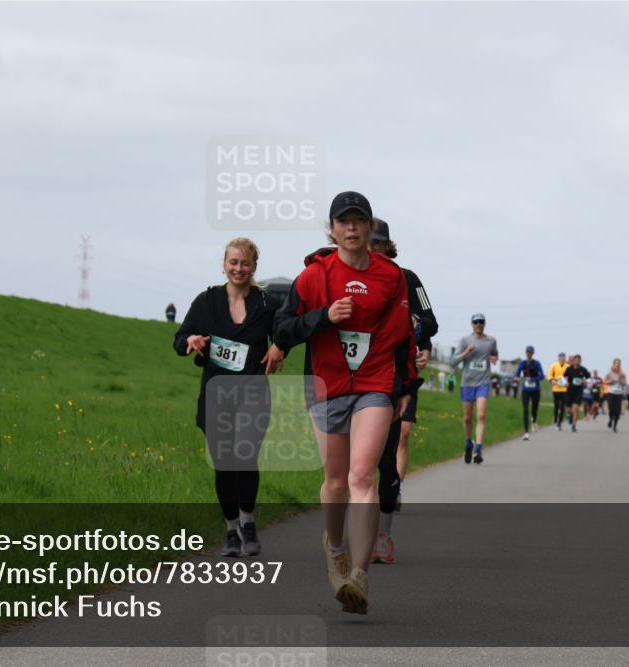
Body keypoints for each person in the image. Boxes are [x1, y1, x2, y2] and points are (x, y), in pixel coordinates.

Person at [274, 192, 419, 614]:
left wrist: (404, 384)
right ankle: (334, 545)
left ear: (370, 228)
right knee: (336, 482)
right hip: (328, 386)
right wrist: (324, 317)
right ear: (332, 229)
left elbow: (402, 337)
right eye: (344, 221)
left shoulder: (392, 277)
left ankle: (359, 574)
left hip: (374, 383)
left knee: (362, 477)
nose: (352, 228)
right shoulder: (314, 277)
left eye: (359, 220)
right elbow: (283, 331)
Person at [174, 238, 285, 558]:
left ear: (254, 267)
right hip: (217, 394)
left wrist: (279, 348)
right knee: (224, 464)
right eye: (233, 262)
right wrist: (190, 341)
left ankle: (248, 522)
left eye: (245, 263)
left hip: (253, 392)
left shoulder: (266, 305)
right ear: (223, 264)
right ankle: (231, 530)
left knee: (245, 456)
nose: (239, 269)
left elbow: (283, 334)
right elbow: (179, 339)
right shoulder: (206, 301)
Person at [365, 219, 438, 564]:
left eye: (376, 243)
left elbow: (430, 323)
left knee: (390, 451)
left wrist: (416, 334)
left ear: (386, 245)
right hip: (356, 380)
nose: (370, 249)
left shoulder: (406, 278)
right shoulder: (346, 277)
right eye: (366, 242)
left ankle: (383, 535)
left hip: (399, 375)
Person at [451, 314, 498, 464]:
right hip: (467, 383)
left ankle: (478, 448)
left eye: (481, 322)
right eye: (476, 322)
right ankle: (468, 443)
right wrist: (466, 352)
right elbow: (453, 361)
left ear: (485, 324)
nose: (478, 324)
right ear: (471, 324)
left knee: (482, 415)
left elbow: (495, 354)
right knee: (467, 418)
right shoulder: (465, 341)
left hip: (483, 383)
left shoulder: (491, 341)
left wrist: (494, 359)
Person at [515, 345, 544, 440]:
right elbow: (517, 374)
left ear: (533, 353)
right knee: (525, 410)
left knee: (534, 408)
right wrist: (516, 378)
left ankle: (534, 420)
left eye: (530, 352)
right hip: (526, 390)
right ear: (526, 353)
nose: (529, 354)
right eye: (528, 352)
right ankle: (526, 432)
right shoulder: (522, 363)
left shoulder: (537, 363)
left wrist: (532, 379)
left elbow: (542, 376)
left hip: (535, 389)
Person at [563, 354, 591, 433]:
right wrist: (565, 383)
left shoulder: (583, 369)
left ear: (580, 361)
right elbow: (563, 377)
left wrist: (585, 381)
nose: (578, 361)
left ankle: (574, 425)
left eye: (579, 360)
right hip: (569, 391)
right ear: (574, 361)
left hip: (578, 392)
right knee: (568, 409)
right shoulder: (569, 369)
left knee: (575, 409)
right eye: (576, 360)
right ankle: (570, 415)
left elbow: (589, 378)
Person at [604, 359, 627, 432]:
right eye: (616, 363)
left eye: (618, 364)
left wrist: (620, 378)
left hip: (619, 394)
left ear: (620, 365)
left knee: (617, 411)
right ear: (613, 364)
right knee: (611, 410)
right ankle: (610, 419)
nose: (617, 365)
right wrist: (610, 381)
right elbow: (604, 381)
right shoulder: (609, 373)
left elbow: (624, 383)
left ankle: (615, 426)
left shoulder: (622, 374)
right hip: (611, 393)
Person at [548, 352, 570, 430]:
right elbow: (549, 376)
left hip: (564, 389)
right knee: (556, 406)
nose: (562, 359)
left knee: (562, 406)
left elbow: (570, 377)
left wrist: (568, 383)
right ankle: (555, 417)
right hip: (556, 389)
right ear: (559, 358)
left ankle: (559, 423)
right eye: (561, 357)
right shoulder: (554, 365)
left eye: (564, 357)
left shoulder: (568, 366)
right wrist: (552, 380)